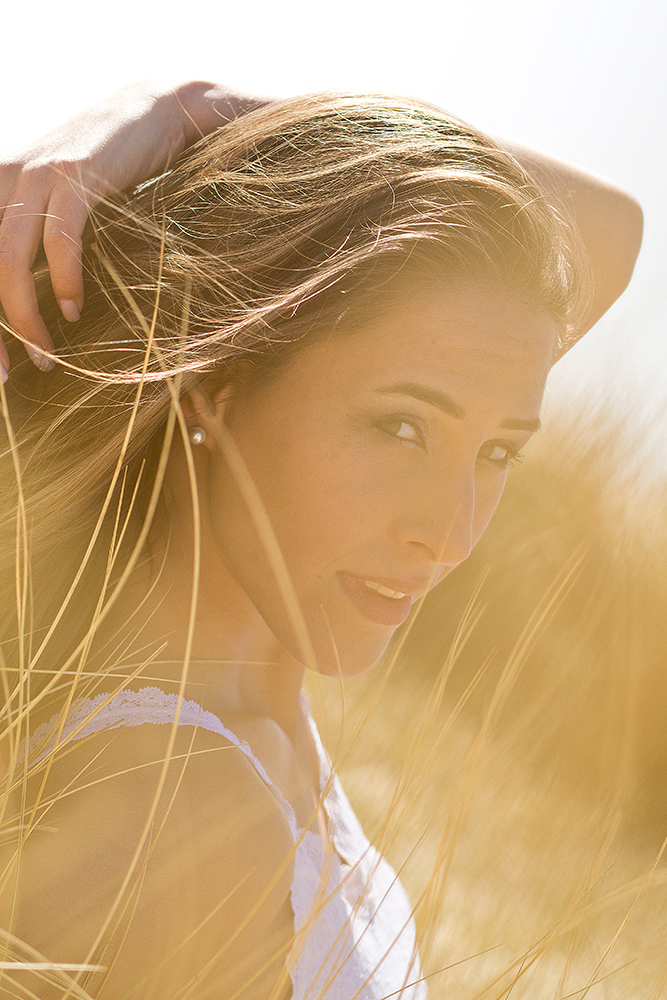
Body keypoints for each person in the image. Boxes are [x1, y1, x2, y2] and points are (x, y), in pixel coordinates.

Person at [0, 81, 642, 1000]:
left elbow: (608, 230)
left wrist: (192, 111)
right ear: (222, 389)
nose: (448, 535)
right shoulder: (189, 819)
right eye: (403, 429)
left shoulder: (235, 709)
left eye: (497, 450)